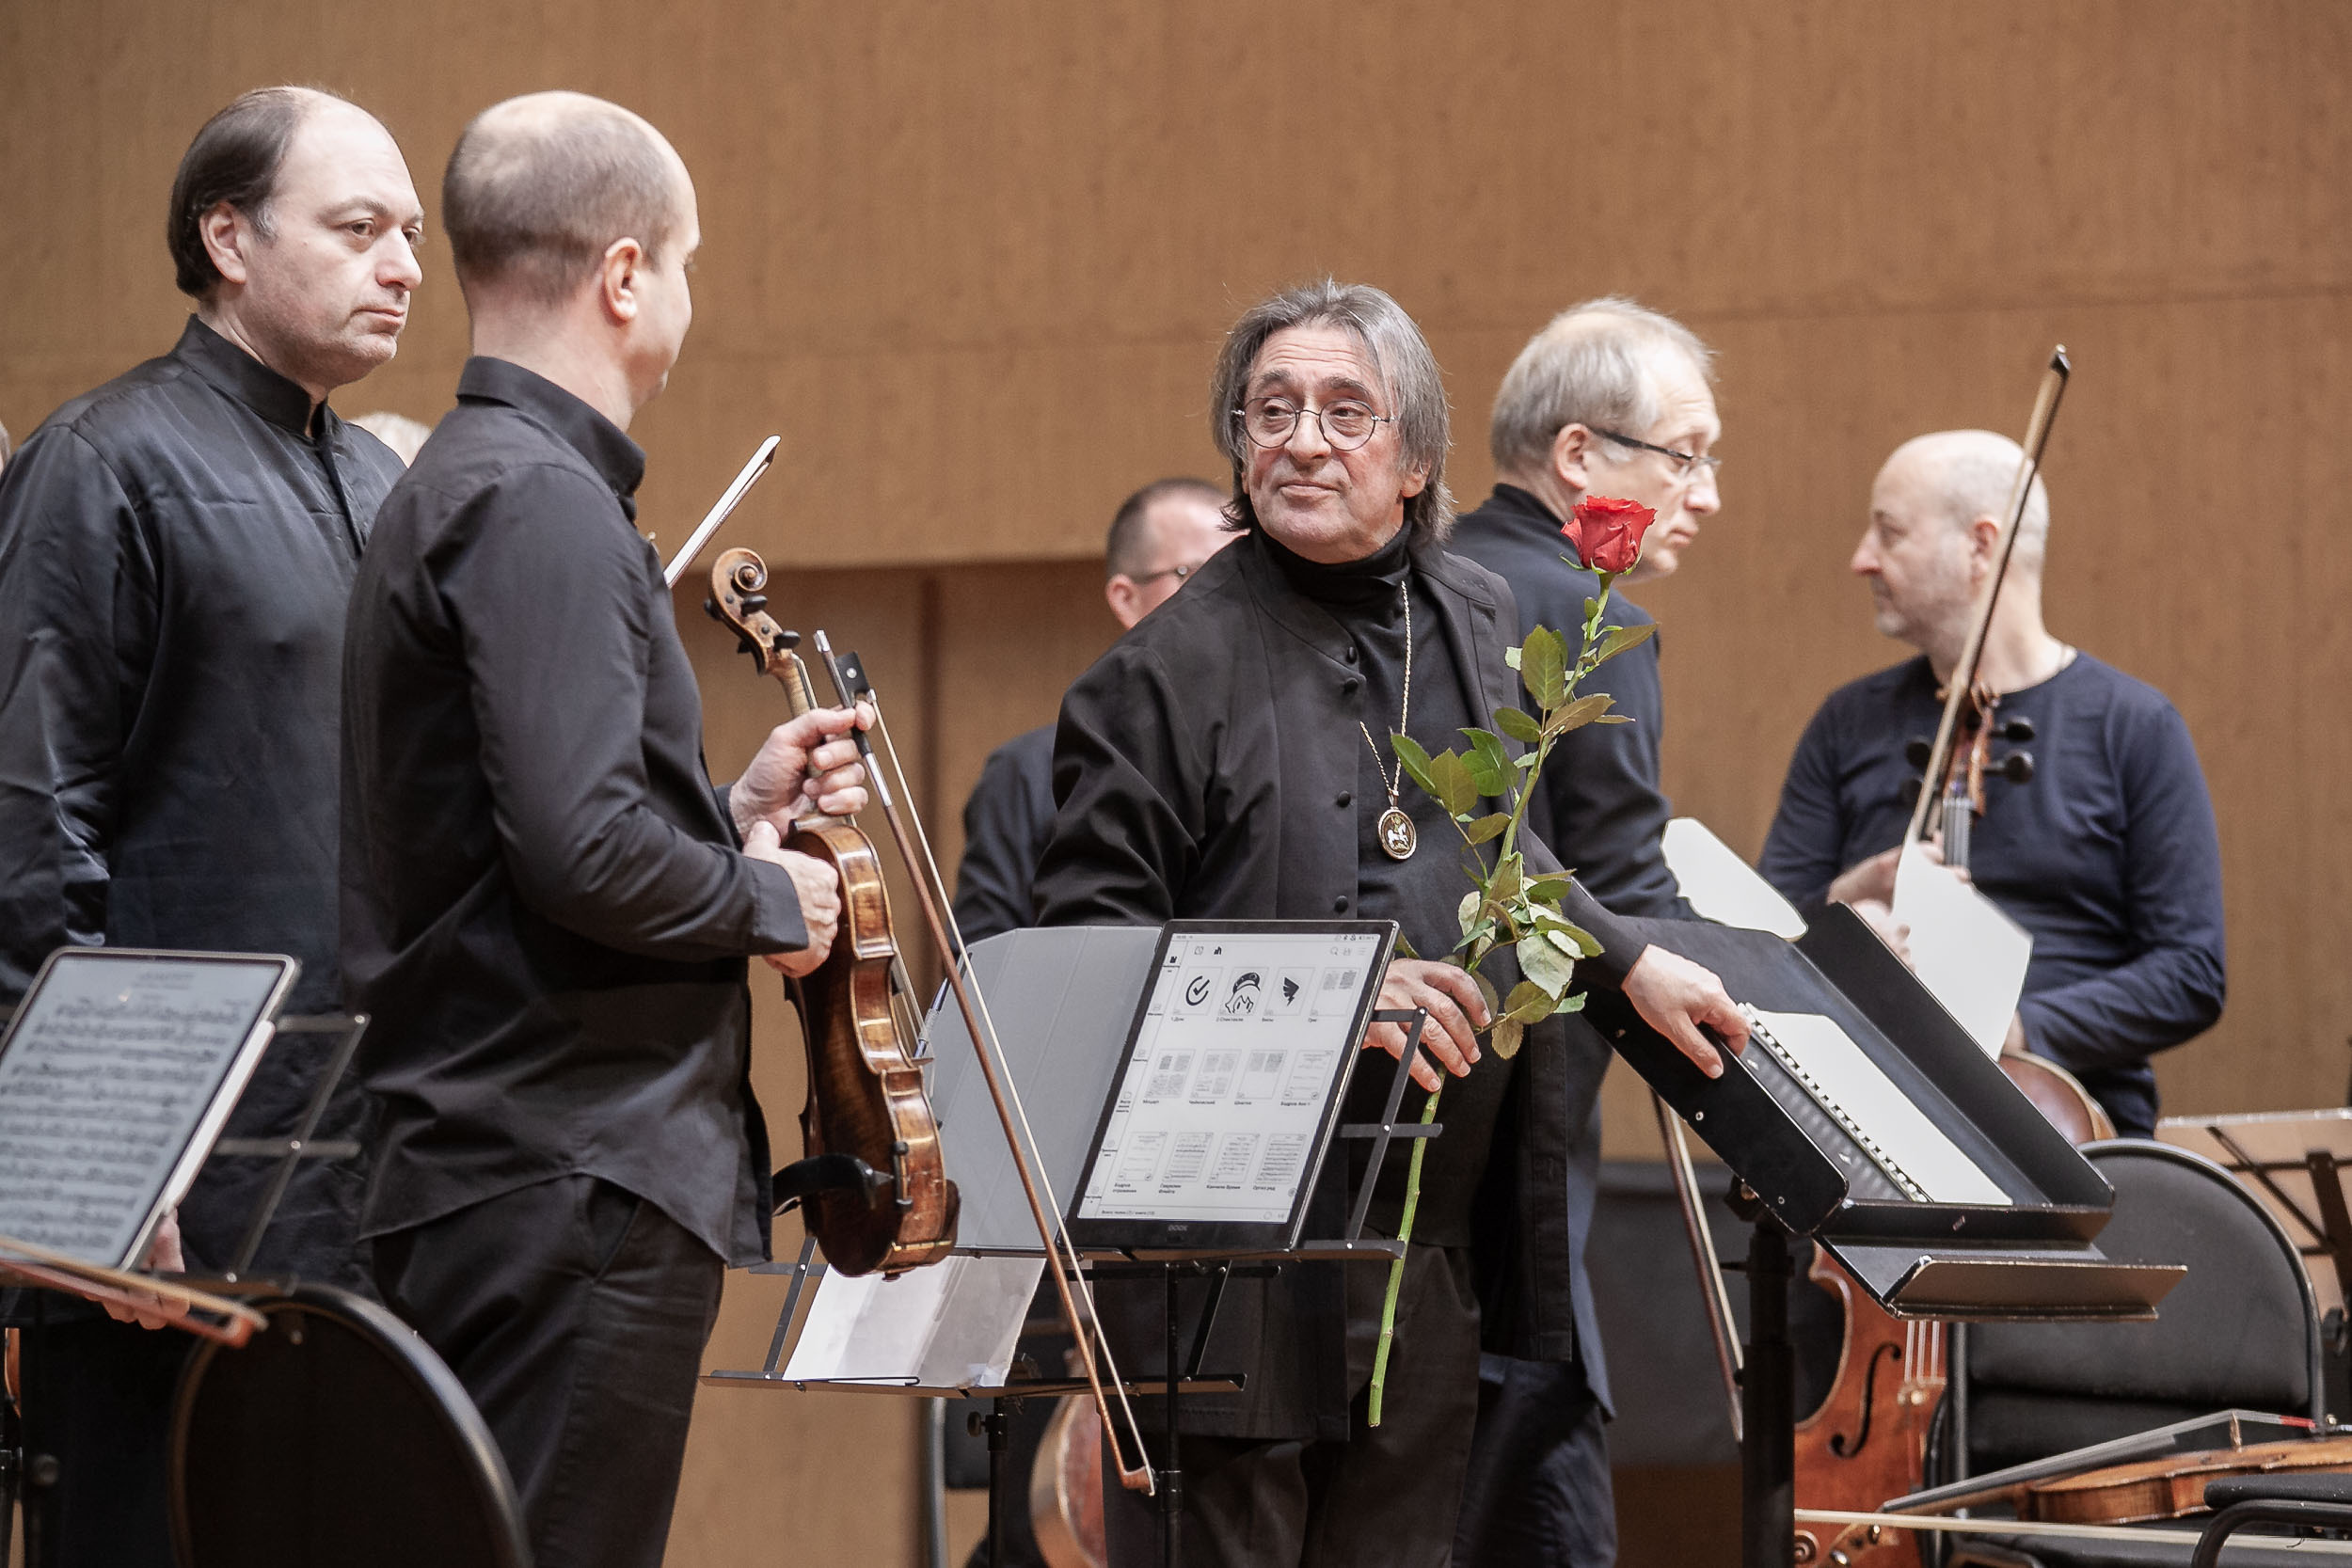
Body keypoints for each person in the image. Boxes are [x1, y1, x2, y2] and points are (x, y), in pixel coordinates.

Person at [1033, 278, 1749, 1567]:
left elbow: (1503, 844)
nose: (1304, 439)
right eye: (1272, 410)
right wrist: (1332, 1000)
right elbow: (1081, 968)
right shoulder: (1152, 682)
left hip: (1424, 1254)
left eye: (1346, 411)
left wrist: (1631, 959)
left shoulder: (1471, 615)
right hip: (1223, 1276)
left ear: (1417, 457)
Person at [340, 92, 866, 1568]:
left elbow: (525, 829)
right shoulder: (542, 503)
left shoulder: (456, 480)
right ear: (626, 273)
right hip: (567, 1170)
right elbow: (580, 856)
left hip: (499, 1164)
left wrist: (726, 811)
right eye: (689, 263)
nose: (688, 297)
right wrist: (774, 899)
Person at [0, 86, 422, 1568]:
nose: (403, 267)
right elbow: (33, 829)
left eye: (413, 237)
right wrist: (103, 1161)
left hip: (375, 1175)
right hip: (173, 1201)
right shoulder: (98, 461)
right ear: (226, 234)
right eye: (358, 228)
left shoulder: (388, 482)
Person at [1445, 296, 1724, 1566]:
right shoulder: (1591, 606)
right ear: (1578, 458)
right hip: (1524, 1113)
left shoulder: (1426, 585)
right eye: (1686, 453)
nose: (1703, 493)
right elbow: (1624, 882)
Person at [1758, 430, 2225, 1136]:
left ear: (1982, 545)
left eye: (1889, 532)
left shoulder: (2135, 726)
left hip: (2072, 1122)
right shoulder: (1846, 722)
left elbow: (2191, 971)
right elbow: (1760, 934)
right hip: (1869, 1112)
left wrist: (2019, 1028)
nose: (1861, 559)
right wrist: (1849, 897)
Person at [952, 475, 1232, 943]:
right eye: (1198, 575)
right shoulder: (1026, 772)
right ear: (1126, 598)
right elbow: (983, 966)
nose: (1224, 601)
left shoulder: (1282, 750)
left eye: (1237, 578)